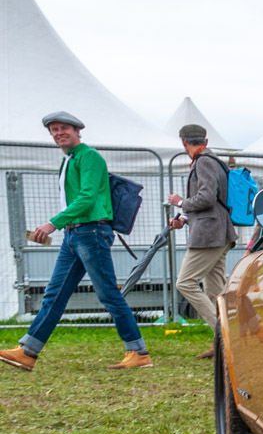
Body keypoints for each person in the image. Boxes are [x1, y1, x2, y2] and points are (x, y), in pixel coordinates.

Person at [0, 112, 153, 372]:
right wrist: (62, 225)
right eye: (54, 129)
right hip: (75, 234)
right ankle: (28, 351)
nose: (59, 133)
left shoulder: (89, 157)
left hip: (90, 232)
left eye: (64, 128)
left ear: (77, 131)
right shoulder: (69, 160)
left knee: (108, 294)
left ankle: (138, 352)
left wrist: (53, 223)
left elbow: (87, 198)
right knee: (54, 294)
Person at [166, 124, 234, 359]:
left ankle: (225, 335)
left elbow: (206, 197)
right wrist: (184, 218)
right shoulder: (211, 159)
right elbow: (211, 199)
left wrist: (180, 203)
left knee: (184, 283)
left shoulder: (203, 161)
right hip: (218, 231)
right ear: (204, 138)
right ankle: (223, 344)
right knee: (216, 290)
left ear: (183, 142)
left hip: (209, 234)